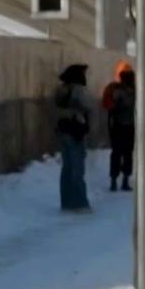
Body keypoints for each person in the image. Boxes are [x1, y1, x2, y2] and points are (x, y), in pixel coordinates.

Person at [54, 64, 92, 212]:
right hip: (75, 132)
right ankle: (80, 203)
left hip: (64, 132)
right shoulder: (77, 90)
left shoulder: (62, 89)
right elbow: (88, 107)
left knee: (67, 169)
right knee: (77, 169)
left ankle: (67, 202)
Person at [102, 60, 136, 192]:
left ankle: (114, 181)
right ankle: (124, 181)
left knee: (117, 153)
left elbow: (109, 106)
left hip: (117, 124)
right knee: (126, 153)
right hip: (128, 125)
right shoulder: (134, 89)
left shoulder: (114, 88)